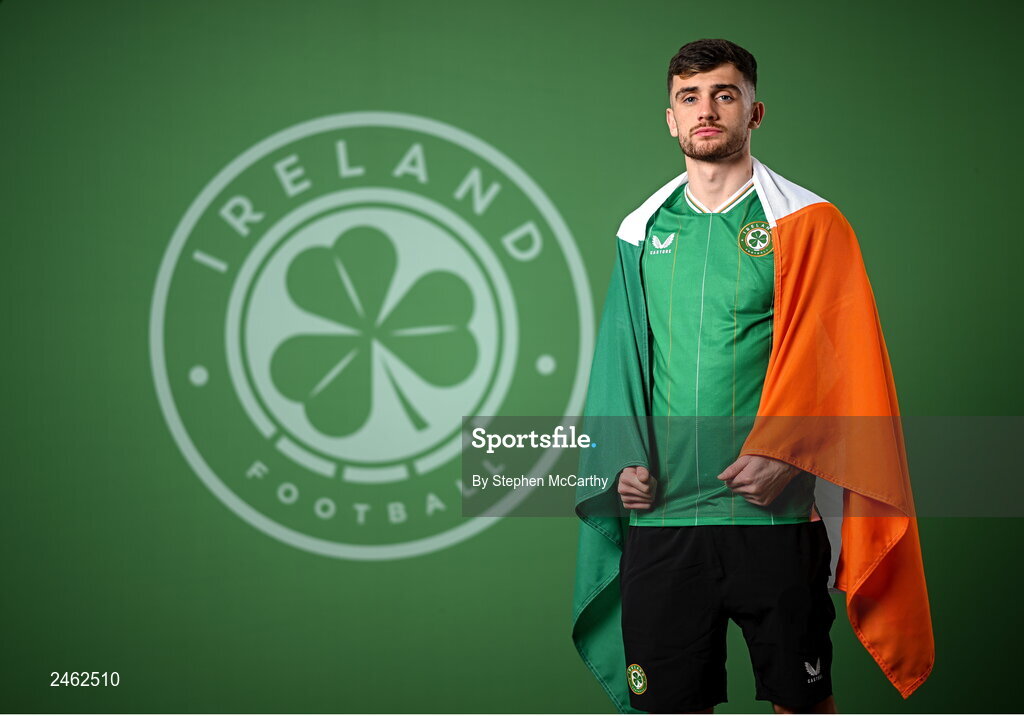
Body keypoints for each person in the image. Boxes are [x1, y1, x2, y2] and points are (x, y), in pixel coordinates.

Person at [571, 39, 934, 714]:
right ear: (671, 119)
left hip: (776, 520)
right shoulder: (640, 231)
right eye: (690, 97)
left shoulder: (809, 223)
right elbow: (620, 356)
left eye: (724, 95)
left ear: (754, 113)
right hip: (664, 524)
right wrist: (616, 462)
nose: (706, 110)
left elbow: (846, 366)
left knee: (803, 704)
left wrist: (787, 451)